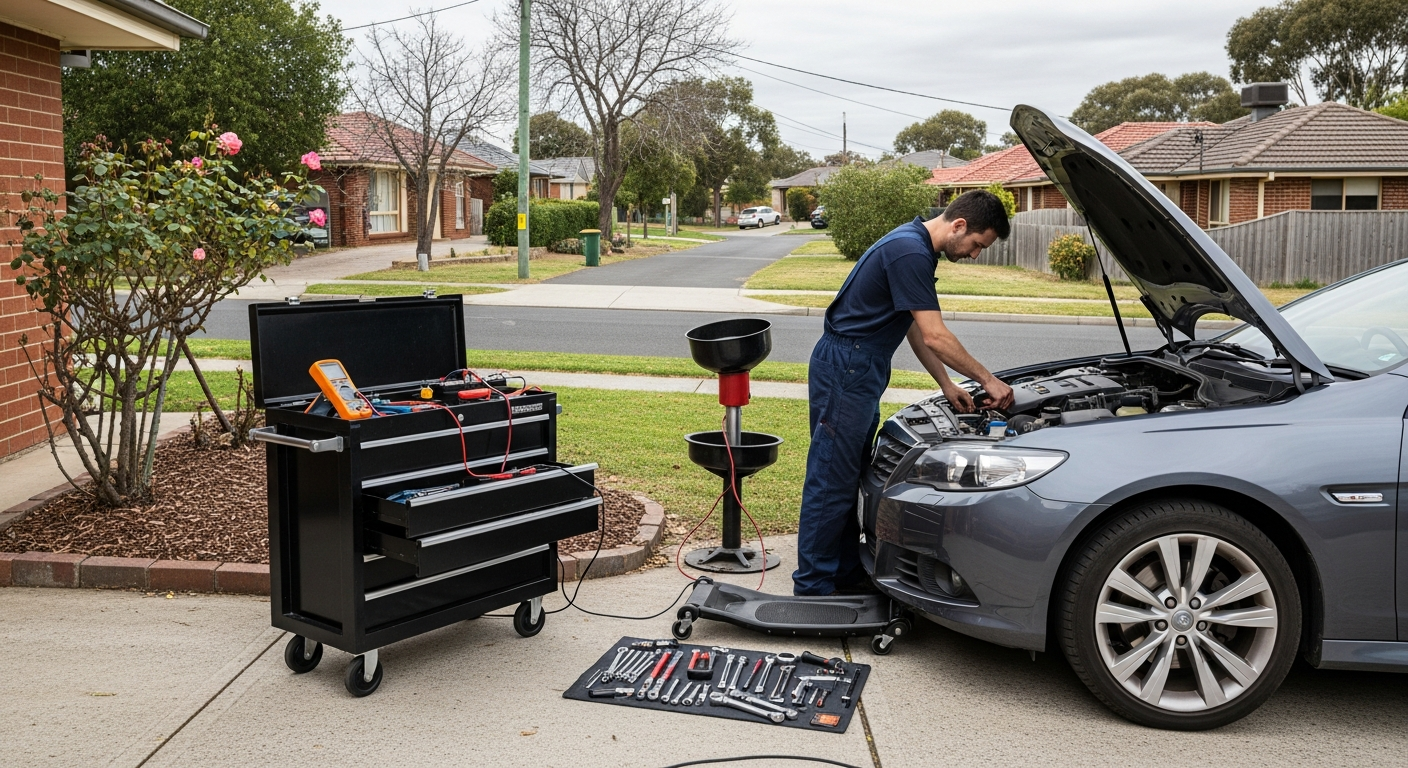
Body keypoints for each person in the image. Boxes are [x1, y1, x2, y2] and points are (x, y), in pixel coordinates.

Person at [793, 189, 1017, 596]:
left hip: (860, 365)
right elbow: (934, 334)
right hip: (848, 365)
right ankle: (813, 586)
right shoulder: (910, 251)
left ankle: (842, 572)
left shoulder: (915, 245)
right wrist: (987, 379)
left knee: (848, 474)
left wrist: (946, 383)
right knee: (830, 477)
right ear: (959, 225)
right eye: (977, 245)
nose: (975, 254)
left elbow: (913, 325)